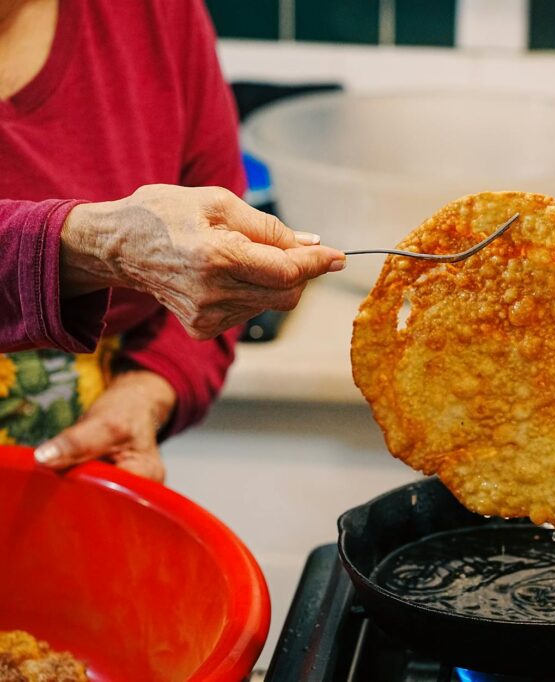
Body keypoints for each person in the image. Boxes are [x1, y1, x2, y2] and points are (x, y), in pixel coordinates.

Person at [0, 0, 345, 481]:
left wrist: (143, 393)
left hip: (89, 474)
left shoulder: (157, 12)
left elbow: (212, 254)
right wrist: (96, 245)